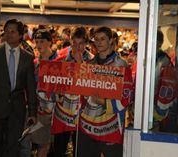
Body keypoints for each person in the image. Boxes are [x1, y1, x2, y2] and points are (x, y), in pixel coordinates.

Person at [0, 19, 37, 157]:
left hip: (17, 109)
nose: (8, 34)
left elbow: (30, 87)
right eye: (7, 31)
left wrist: (33, 112)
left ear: (20, 35)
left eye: (13, 31)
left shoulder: (27, 58)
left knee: (13, 147)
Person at [78, 27, 132, 157]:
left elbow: (126, 97)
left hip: (110, 128)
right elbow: (82, 95)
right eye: (96, 39)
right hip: (87, 126)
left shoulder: (121, 65)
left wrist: (102, 101)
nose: (99, 42)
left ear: (111, 40)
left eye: (103, 39)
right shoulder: (89, 64)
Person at [51, 26, 94, 157]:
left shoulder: (92, 60)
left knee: (80, 149)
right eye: (74, 42)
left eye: (81, 43)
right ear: (70, 41)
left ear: (86, 43)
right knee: (59, 148)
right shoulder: (60, 57)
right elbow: (51, 82)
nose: (77, 47)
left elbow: (91, 85)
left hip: (82, 112)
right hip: (63, 111)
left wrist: (80, 62)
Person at [20, 29, 57, 157]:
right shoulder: (34, 63)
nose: (39, 44)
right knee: (26, 140)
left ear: (50, 42)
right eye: (37, 41)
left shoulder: (59, 62)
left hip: (50, 110)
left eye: (42, 41)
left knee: (44, 143)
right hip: (33, 108)